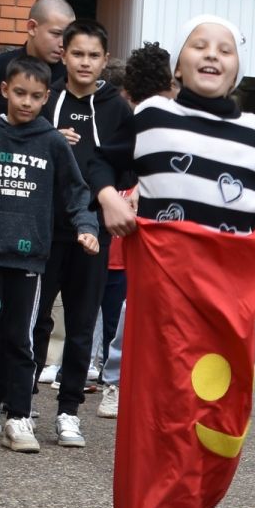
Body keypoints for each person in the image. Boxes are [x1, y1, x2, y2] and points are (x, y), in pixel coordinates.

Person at [0, 57, 99, 452]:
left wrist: (86, 227)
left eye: (36, 96)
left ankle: (18, 416)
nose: (27, 102)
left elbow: (76, 191)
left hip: (29, 258)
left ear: (46, 97)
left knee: (21, 338)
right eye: (19, 93)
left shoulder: (51, 141)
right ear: (4, 90)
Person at [92, 13, 255, 269]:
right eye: (199, 46)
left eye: (225, 50)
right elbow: (100, 161)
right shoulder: (152, 117)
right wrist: (109, 198)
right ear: (177, 68)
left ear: (238, 71)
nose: (212, 54)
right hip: (158, 274)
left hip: (225, 280)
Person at [26, 18, 131, 446]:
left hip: (93, 231)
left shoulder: (117, 108)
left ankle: (69, 410)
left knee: (83, 324)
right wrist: (49, 138)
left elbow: (128, 166)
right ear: (63, 54)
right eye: (77, 54)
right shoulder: (44, 95)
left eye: (93, 55)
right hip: (43, 227)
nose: (85, 62)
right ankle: (22, 403)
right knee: (33, 321)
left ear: (105, 60)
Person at [92, 43, 175, 421]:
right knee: (135, 309)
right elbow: (107, 163)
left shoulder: (157, 116)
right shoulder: (142, 119)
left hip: (168, 231)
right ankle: (115, 383)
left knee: (147, 311)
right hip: (149, 231)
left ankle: (137, 386)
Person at [0, 0, 72, 117]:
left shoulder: (71, 73)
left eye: (68, 36)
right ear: (32, 27)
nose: (63, 43)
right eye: (56, 34)